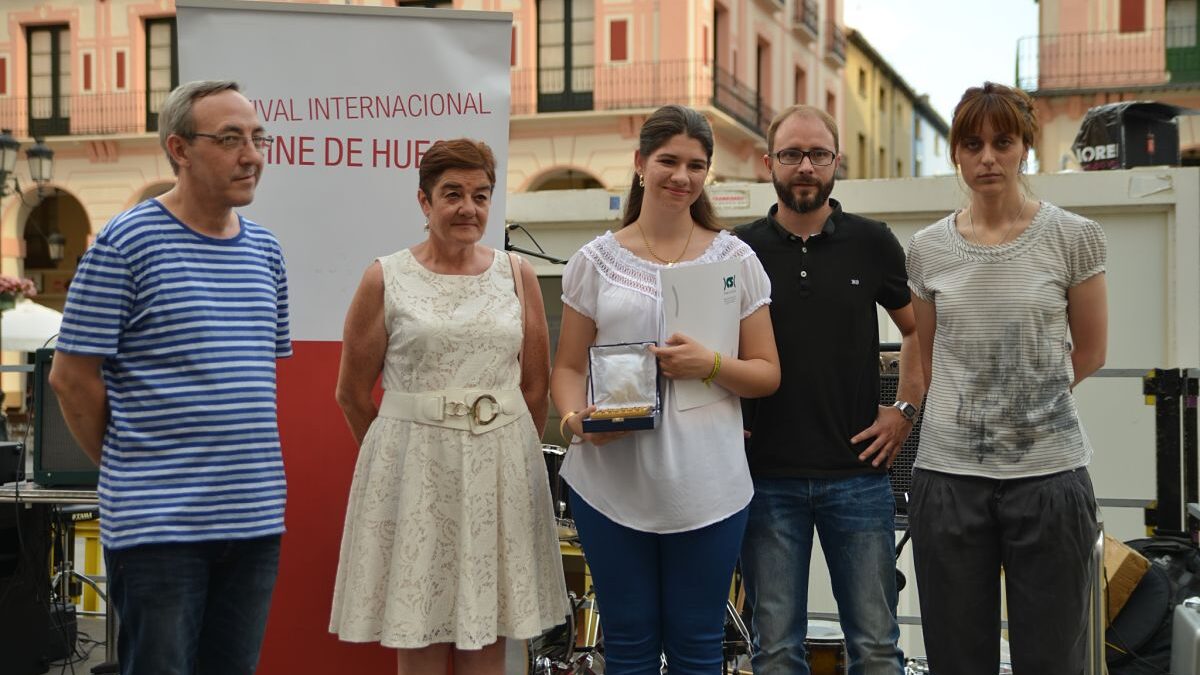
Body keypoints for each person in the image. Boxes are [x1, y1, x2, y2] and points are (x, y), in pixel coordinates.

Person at [49, 80, 291, 675]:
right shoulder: (125, 241)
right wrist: (134, 467)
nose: (252, 154)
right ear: (179, 148)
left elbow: (254, 381)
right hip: (159, 524)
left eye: (258, 137)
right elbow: (70, 378)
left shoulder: (266, 252)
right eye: (230, 139)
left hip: (255, 518)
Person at [549, 104, 781, 674]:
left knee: (698, 647)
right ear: (639, 164)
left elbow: (768, 373)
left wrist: (709, 364)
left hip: (710, 486)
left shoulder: (737, 260)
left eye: (696, 165)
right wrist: (576, 421)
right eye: (668, 161)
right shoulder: (594, 261)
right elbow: (567, 369)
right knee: (626, 645)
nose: (682, 176)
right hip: (610, 485)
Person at [329, 138, 568, 674]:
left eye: (480, 195)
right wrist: (394, 459)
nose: (468, 208)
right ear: (424, 202)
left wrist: (511, 459)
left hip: (497, 477)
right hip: (415, 477)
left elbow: (535, 388)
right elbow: (351, 392)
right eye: (452, 193)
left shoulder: (518, 274)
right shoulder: (384, 277)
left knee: (488, 637)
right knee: (419, 633)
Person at [906, 82, 1107, 674]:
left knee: (1051, 659)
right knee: (956, 658)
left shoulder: (1074, 237)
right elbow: (928, 357)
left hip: (1048, 479)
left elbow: (1091, 352)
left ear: (1025, 148)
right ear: (957, 155)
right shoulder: (926, 249)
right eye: (972, 144)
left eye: (1002, 141)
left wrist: (1022, 404)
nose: (987, 157)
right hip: (947, 480)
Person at [734, 104, 922, 675]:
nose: (805, 166)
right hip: (764, 479)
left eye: (817, 154)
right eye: (792, 154)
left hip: (858, 479)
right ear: (770, 163)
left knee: (875, 648)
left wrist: (905, 411)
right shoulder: (737, 251)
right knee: (775, 652)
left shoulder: (874, 243)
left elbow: (918, 330)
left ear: (837, 162)